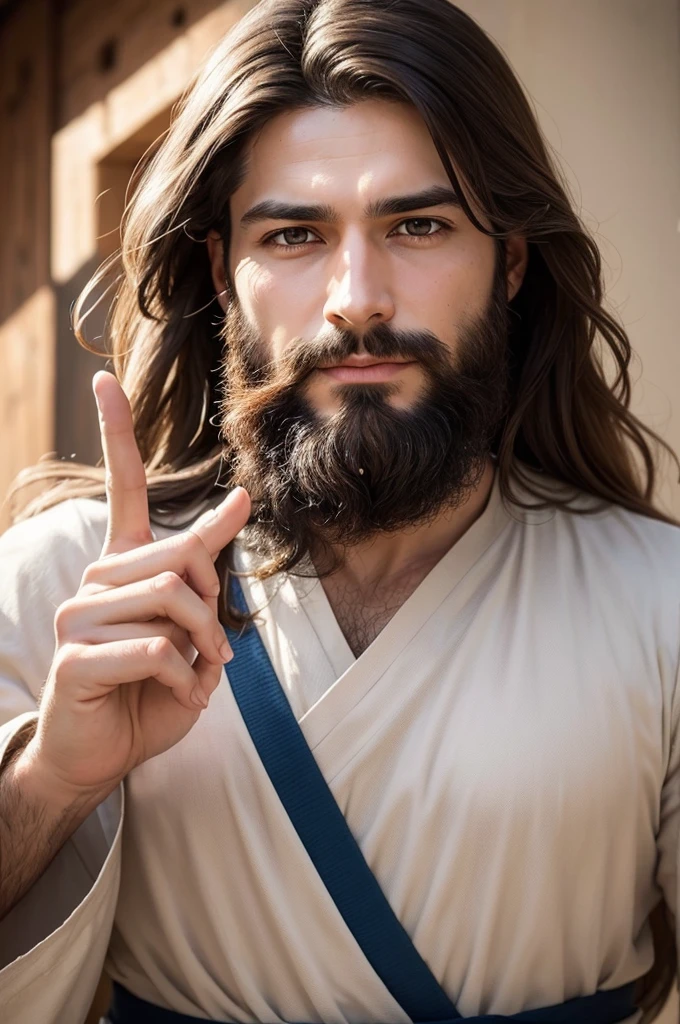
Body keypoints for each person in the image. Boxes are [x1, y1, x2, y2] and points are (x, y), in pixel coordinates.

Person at [0, 0, 679, 1021]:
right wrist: (51, 780)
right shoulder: (67, 588)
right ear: (222, 272)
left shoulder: (657, 605)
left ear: (511, 258)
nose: (355, 296)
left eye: (418, 224)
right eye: (294, 234)